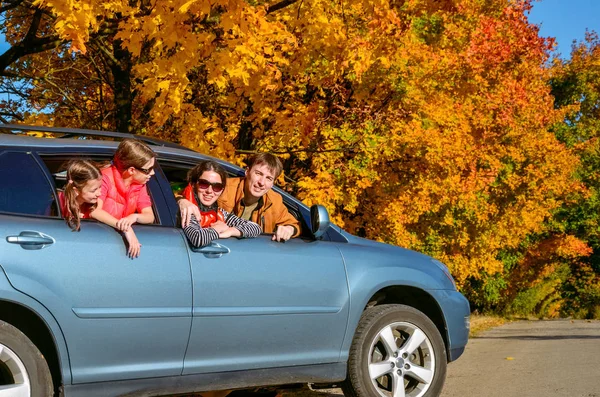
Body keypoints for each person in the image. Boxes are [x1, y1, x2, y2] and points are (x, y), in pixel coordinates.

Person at [179, 153, 301, 242]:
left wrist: (289, 229)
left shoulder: (275, 201)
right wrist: (181, 201)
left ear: (273, 183)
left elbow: (294, 225)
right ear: (247, 172)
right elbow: (180, 194)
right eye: (258, 174)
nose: (261, 182)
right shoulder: (222, 187)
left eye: (268, 178)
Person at [91, 139, 156, 258]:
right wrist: (125, 228)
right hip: (96, 239)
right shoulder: (104, 178)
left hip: (114, 243)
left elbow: (149, 216)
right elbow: (94, 211)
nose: (153, 173)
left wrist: (134, 217)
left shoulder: (139, 184)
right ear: (132, 170)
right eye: (148, 170)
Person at [183, 160, 261, 247]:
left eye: (217, 187)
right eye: (203, 184)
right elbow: (197, 238)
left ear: (222, 190)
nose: (209, 191)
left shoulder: (219, 212)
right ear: (193, 184)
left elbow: (256, 228)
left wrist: (230, 231)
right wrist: (217, 229)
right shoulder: (187, 210)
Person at [59, 159, 103, 231]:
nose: (99, 193)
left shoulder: (95, 203)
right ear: (76, 190)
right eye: (93, 190)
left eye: (100, 187)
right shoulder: (61, 204)